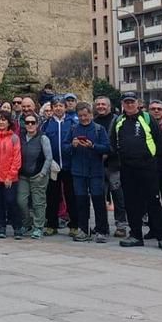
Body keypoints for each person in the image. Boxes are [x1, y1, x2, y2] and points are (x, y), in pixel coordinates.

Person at [112, 92, 162, 251]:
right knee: (131, 203)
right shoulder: (118, 121)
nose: (130, 105)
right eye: (127, 102)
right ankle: (136, 235)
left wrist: (155, 163)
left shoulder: (146, 118)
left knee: (153, 202)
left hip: (148, 167)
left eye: (132, 102)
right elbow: (113, 143)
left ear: (138, 103)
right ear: (122, 104)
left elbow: (159, 142)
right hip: (127, 168)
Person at [68, 103, 110, 242]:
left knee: (98, 201)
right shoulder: (73, 128)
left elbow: (107, 148)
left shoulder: (99, 129)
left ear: (91, 115)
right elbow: (64, 147)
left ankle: (101, 230)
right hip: (78, 171)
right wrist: (72, 145)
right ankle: (83, 229)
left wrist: (93, 146)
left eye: (85, 115)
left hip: (95, 171)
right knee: (81, 201)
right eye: (80, 116)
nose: (83, 118)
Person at [42, 95, 78, 237]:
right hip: (53, 166)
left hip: (69, 165)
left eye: (60, 105)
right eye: (55, 106)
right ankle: (52, 224)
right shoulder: (46, 124)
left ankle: (74, 225)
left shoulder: (72, 122)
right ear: (52, 108)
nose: (58, 108)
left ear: (65, 107)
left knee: (71, 196)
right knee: (52, 196)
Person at [92, 96, 128, 238]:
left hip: (114, 164)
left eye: (103, 104)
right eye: (98, 104)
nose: (101, 107)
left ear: (109, 106)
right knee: (99, 196)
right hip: (98, 165)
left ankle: (121, 225)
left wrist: (107, 152)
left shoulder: (117, 120)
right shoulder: (93, 122)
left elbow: (121, 141)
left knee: (118, 196)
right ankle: (102, 225)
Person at [17, 109, 52, 239]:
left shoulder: (43, 138)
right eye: (27, 122)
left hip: (38, 175)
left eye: (33, 122)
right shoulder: (20, 138)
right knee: (21, 201)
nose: (30, 125)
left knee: (38, 202)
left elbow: (49, 157)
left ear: (37, 124)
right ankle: (27, 223)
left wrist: (42, 174)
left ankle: (38, 226)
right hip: (23, 176)